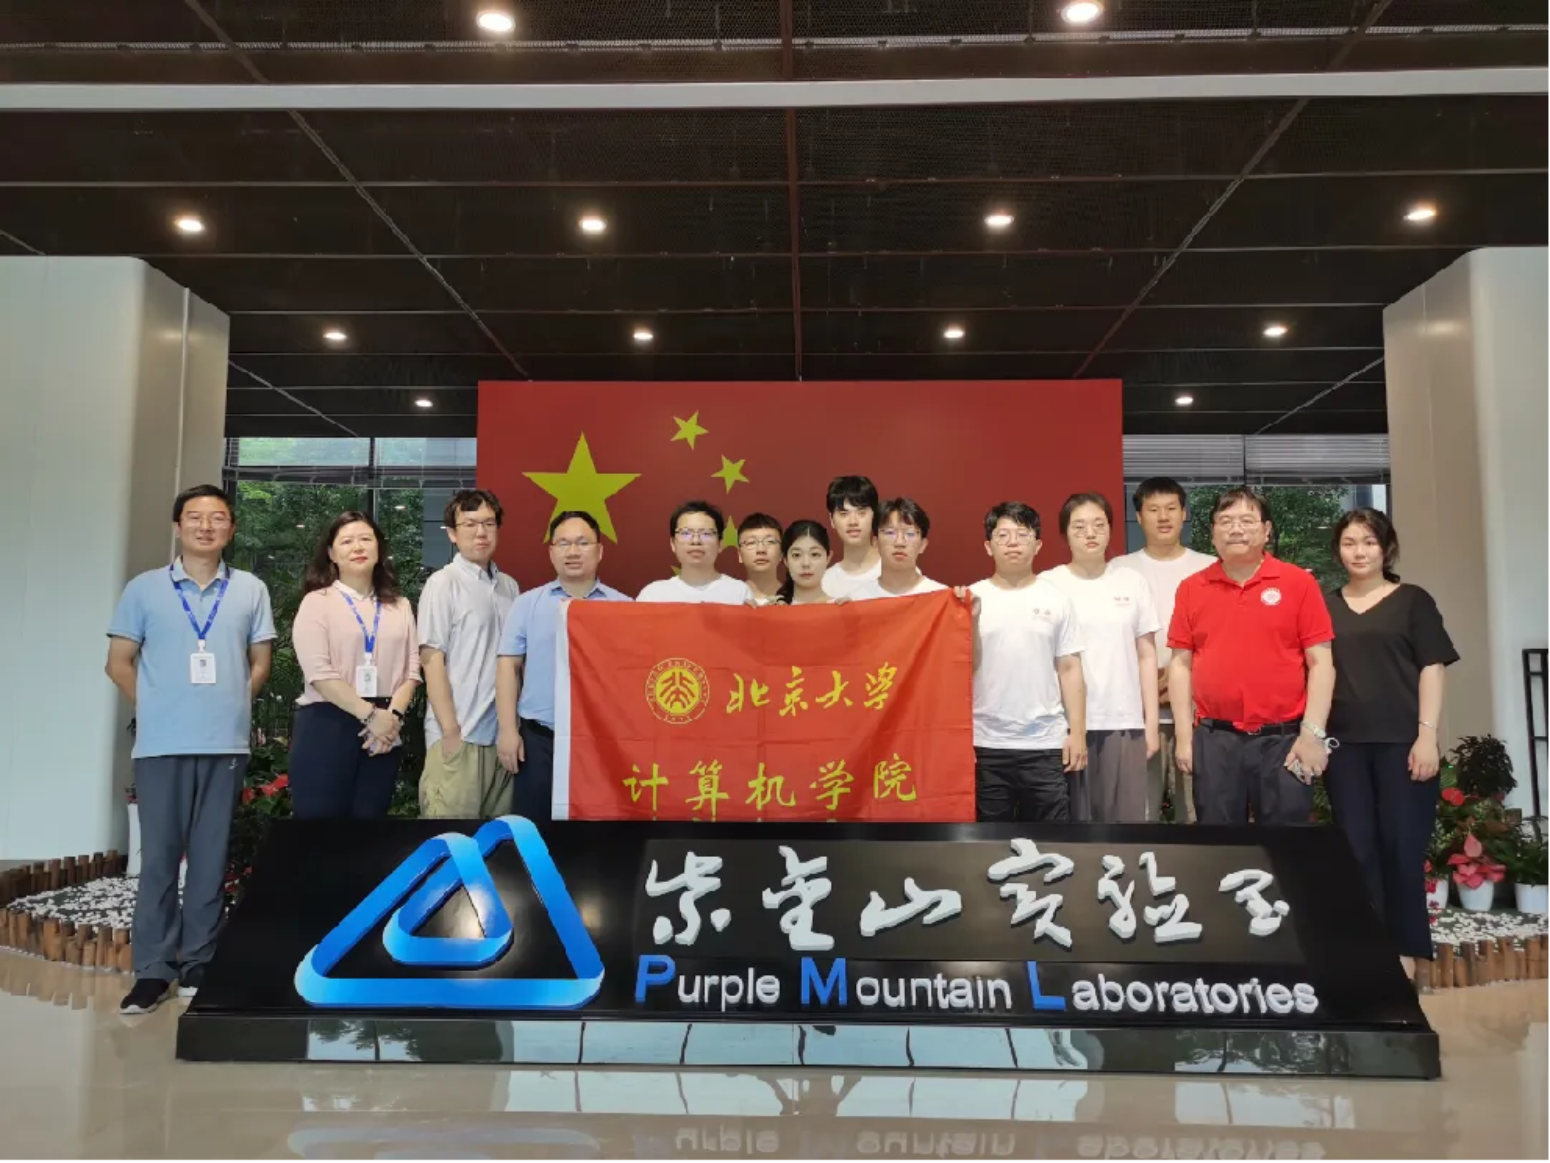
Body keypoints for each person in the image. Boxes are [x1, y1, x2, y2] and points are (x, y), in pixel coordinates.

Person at [105, 484, 276, 1015]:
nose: (206, 526)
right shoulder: (144, 589)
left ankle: (200, 960)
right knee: (159, 858)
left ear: (231, 528)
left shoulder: (249, 589)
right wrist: (158, 707)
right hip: (162, 745)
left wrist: (231, 705)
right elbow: (118, 662)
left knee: (210, 856)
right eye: (196, 517)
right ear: (178, 527)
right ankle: (153, 970)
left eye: (217, 517)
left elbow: (260, 663)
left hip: (224, 743)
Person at [1324, 508, 1457, 980]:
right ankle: (1369, 953)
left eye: (1369, 542)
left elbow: (1432, 668)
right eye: (1349, 543)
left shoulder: (1413, 601)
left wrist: (1427, 735)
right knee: (1356, 849)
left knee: (1402, 848)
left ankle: (1405, 954)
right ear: (1338, 550)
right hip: (1344, 748)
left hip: (1404, 744)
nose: (1359, 552)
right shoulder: (1325, 605)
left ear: (1386, 548)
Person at [1168, 488, 1335, 826]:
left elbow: (1321, 664)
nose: (1236, 529)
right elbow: (1180, 665)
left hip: (1284, 740)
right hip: (1215, 740)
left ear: (1266, 529)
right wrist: (1184, 738)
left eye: (1246, 520)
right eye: (1226, 521)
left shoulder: (1298, 583)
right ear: (1213, 532)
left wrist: (1312, 735)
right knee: (1218, 844)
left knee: (1286, 845)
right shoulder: (1192, 587)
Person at [498, 510, 632, 821]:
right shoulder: (527, 604)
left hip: (603, 743)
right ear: (551, 552)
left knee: (597, 831)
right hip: (539, 740)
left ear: (599, 551)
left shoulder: (624, 607)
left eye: (583, 543)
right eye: (563, 543)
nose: (573, 551)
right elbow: (508, 667)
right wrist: (507, 731)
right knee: (535, 830)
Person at [289, 511, 420, 820]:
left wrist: (392, 718)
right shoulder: (317, 602)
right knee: (321, 833)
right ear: (332, 553)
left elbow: (412, 670)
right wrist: (371, 716)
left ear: (379, 548)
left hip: (386, 729)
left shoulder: (400, 605)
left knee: (369, 833)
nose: (358, 547)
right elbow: (319, 673)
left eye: (365, 539)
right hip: (328, 724)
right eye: (347, 541)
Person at [967, 502, 1087, 822]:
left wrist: (1077, 733)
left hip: (1045, 744)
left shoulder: (1056, 599)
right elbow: (961, 670)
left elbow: (1070, 669)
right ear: (988, 546)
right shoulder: (970, 599)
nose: (1013, 542)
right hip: (985, 744)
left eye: (1022, 534)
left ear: (1038, 545)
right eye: (1003, 535)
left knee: (1052, 840)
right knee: (989, 841)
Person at [1045, 493, 1160, 823]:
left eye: (1099, 525)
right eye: (1079, 526)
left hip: (1123, 722)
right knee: (1073, 828)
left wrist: (1151, 724)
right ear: (1065, 533)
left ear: (1111, 528)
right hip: (1065, 725)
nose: (1090, 533)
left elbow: (1146, 656)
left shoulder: (1132, 582)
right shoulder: (1049, 584)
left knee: (1125, 827)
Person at [417, 489, 522, 819]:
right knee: (452, 840)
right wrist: (450, 732)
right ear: (452, 533)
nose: (481, 532)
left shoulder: (509, 587)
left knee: (498, 842)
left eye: (489, 523)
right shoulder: (443, 583)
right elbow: (431, 659)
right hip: (461, 736)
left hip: (502, 739)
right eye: (470, 524)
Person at [1118, 478, 1215, 823]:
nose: (1163, 517)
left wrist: (1181, 678)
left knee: (1195, 815)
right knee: (1139, 816)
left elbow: (1222, 639)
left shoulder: (1210, 568)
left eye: (1171, 508)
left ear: (1184, 513)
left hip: (1199, 714)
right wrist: (1149, 683)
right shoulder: (1119, 570)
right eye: (1154, 509)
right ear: (1139, 517)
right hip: (1137, 714)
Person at [636, 500, 752, 605]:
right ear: (672, 544)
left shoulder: (739, 593)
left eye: (706, 534)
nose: (696, 541)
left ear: (720, 544)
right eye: (686, 533)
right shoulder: (653, 595)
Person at [848, 498, 947, 601]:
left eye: (910, 533)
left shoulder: (941, 598)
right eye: (890, 532)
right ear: (875, 542)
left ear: (923, 545)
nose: (899, 542)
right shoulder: (858, 599)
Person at [822, 475, 882, 599]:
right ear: (831, 520)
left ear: (875, 516)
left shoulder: (897, 572)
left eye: (861, 513)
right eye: (844, 514)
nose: (853, 522)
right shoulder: (824, 583)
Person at [777, 520, 838, 606]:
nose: (806, 564)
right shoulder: (773, 608)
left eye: (814, 554)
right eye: (797, 555)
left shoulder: (840, 608)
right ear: (785, 560)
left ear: (828, 558)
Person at [736, 512, 785, 606]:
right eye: (751, 542)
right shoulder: (729, 599)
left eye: (770, 542)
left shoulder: (796, 599)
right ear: (739, 555)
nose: (761, 550)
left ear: (781, 553)